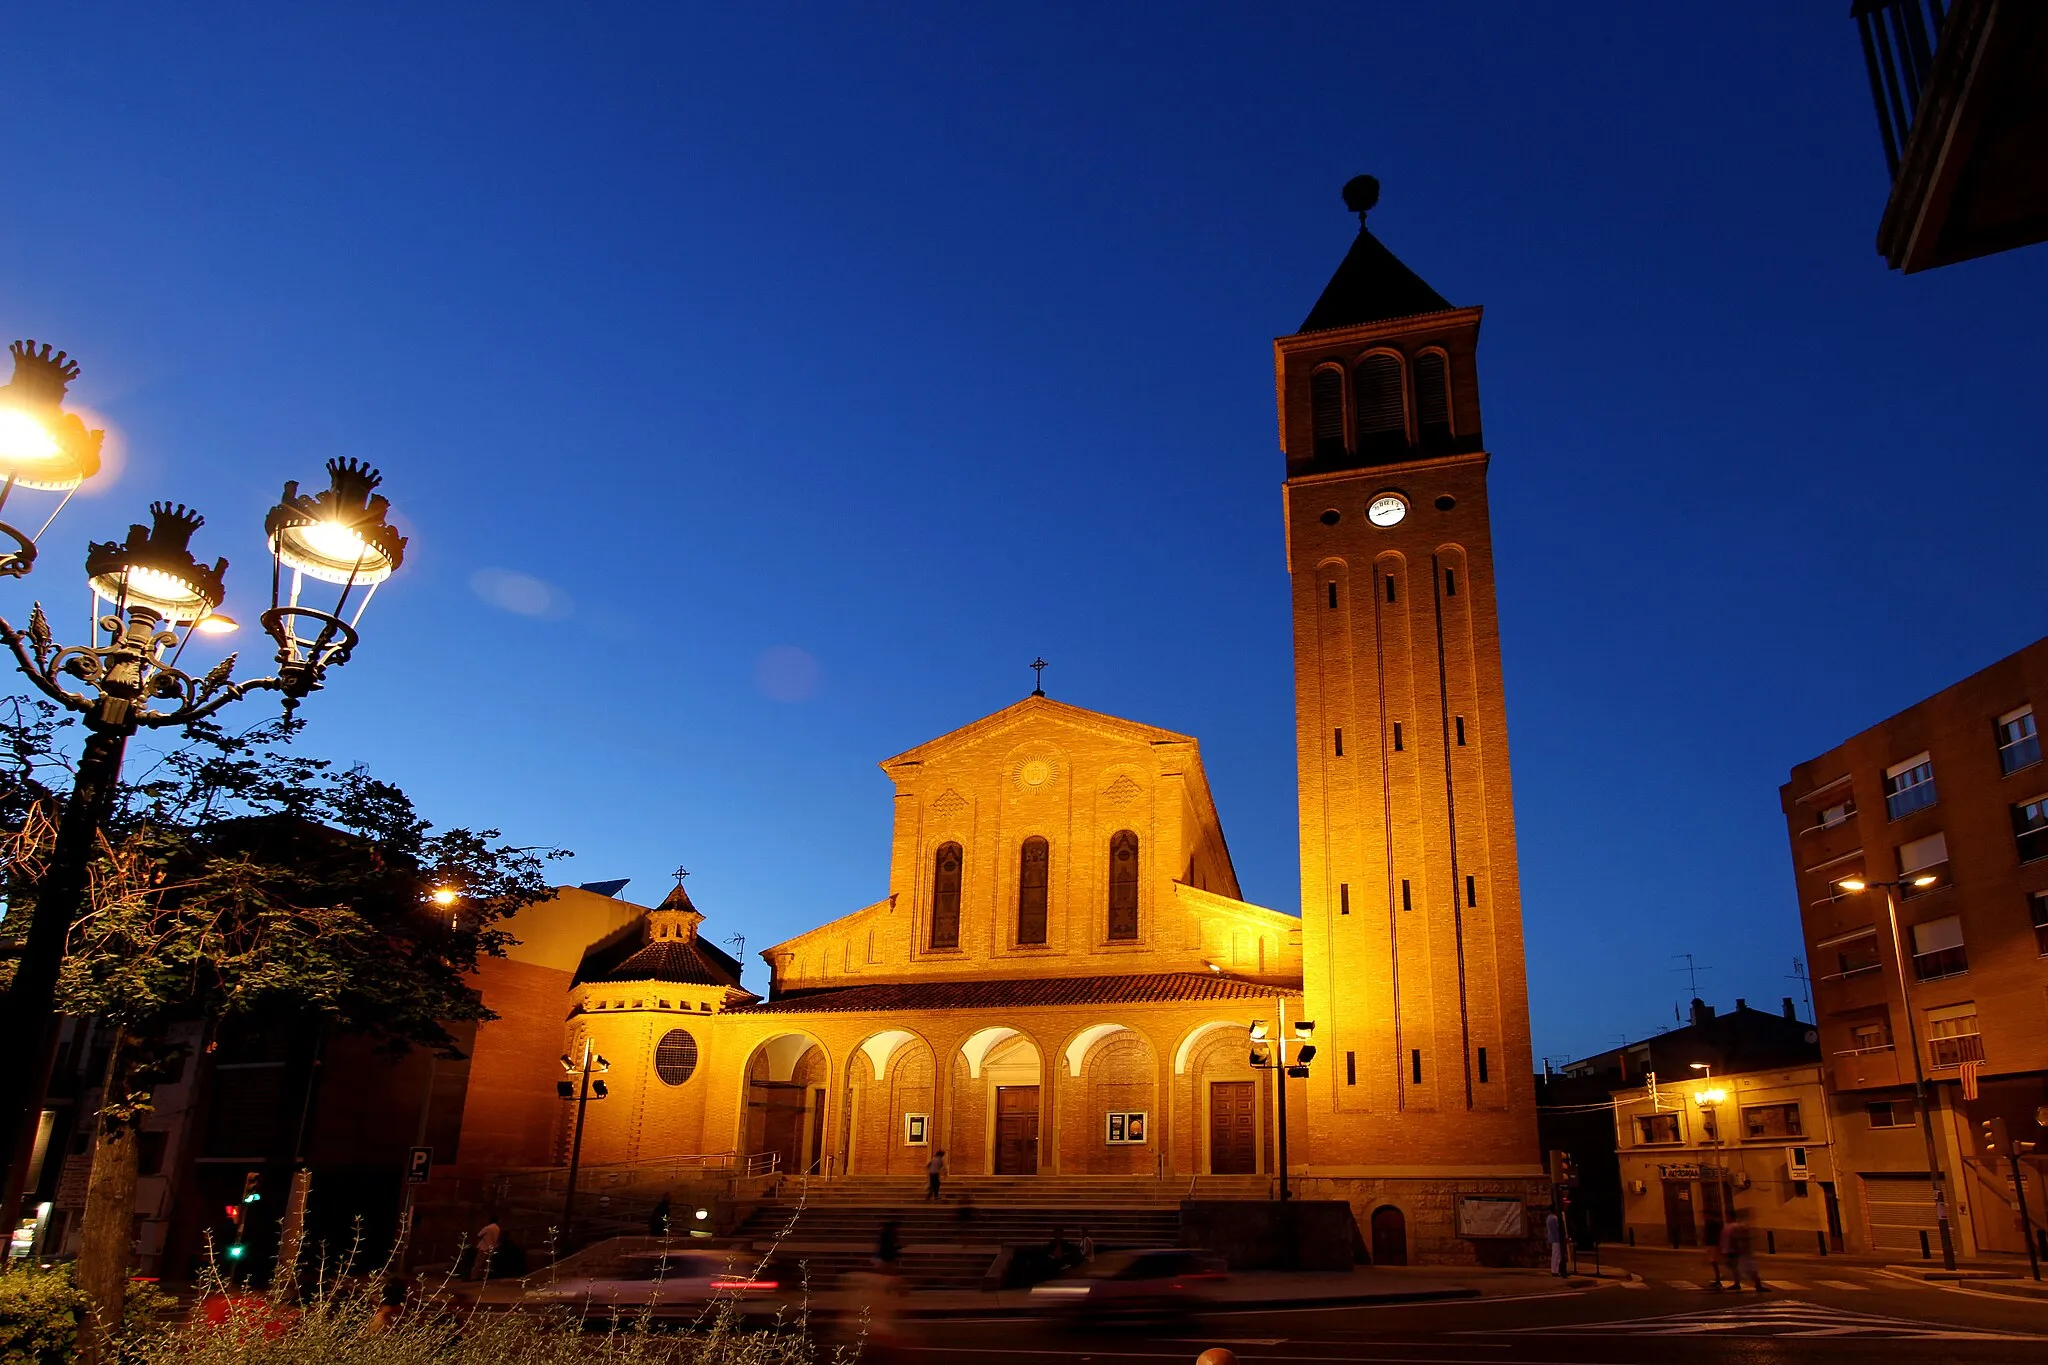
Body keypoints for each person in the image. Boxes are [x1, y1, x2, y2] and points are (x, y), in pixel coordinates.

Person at [1728, 1210, 1766, 1292]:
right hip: (1744, 1251)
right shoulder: (1742, 1226)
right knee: (1746, 1268)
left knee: (1748, 1269)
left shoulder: (1741, 1226)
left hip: (1744, 1252)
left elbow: (1740, 1237)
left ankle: (1757, 1285)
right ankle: (1756, 1285)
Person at [472, 1216, 502, 1281]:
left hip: (483, 1247)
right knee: (487, 1264)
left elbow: (479, 1235)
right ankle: (484, 1277)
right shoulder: (497, 1228)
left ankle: (474, 1277)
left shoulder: (487, 1228)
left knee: (478, 1263)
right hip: (491, 1248)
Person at [1703, 1211, 1727, 1290]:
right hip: (1714, 1244)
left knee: (1714, 1262)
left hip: (1712, 1244)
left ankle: (1718, 1281)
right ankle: (1718, 1280)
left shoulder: (1711, 1223)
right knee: (1714, 1262)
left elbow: (1708, 1233)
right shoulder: (1717, 1223)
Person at [1544, 1209, 1564, 1277]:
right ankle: (1555, 1270)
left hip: (1554, 1239)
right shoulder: (1554, 1218)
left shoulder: (1549, 1217)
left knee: (1556, 1254)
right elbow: (1556, 1230)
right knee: (1556, 1255)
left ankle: (1556, 1270)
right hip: (1556, 1239)